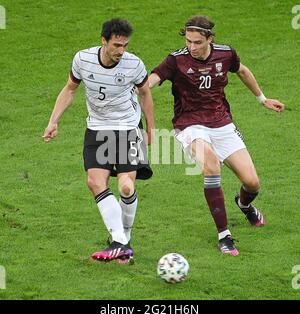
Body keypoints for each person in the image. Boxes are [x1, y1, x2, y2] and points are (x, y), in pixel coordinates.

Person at [149, 15, 284, 256]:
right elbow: (153, 79)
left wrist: (263, 99)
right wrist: (140, 86)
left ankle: (243, 204)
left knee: (252, 183)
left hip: (222, 124)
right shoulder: (176, 60)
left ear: (210, 39)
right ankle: (224, 235)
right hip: (190, 124)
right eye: (189, 41)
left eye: (198, 42)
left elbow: (242, 71)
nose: (192, 47)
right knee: (211, 167)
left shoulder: (226, 54)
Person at [43, 18, 155, 263]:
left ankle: (124, 239)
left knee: (126, 187)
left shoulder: (133, 64)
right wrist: (53, 121)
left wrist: (151, 128)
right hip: (97, 128)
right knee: (95, 182)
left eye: (124, 45)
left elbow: (145, 93)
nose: (121, 51)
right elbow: (70, 89)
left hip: (127, 127)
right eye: (116, 45)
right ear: (103, 41)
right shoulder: (82, 59)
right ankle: (120, 242)